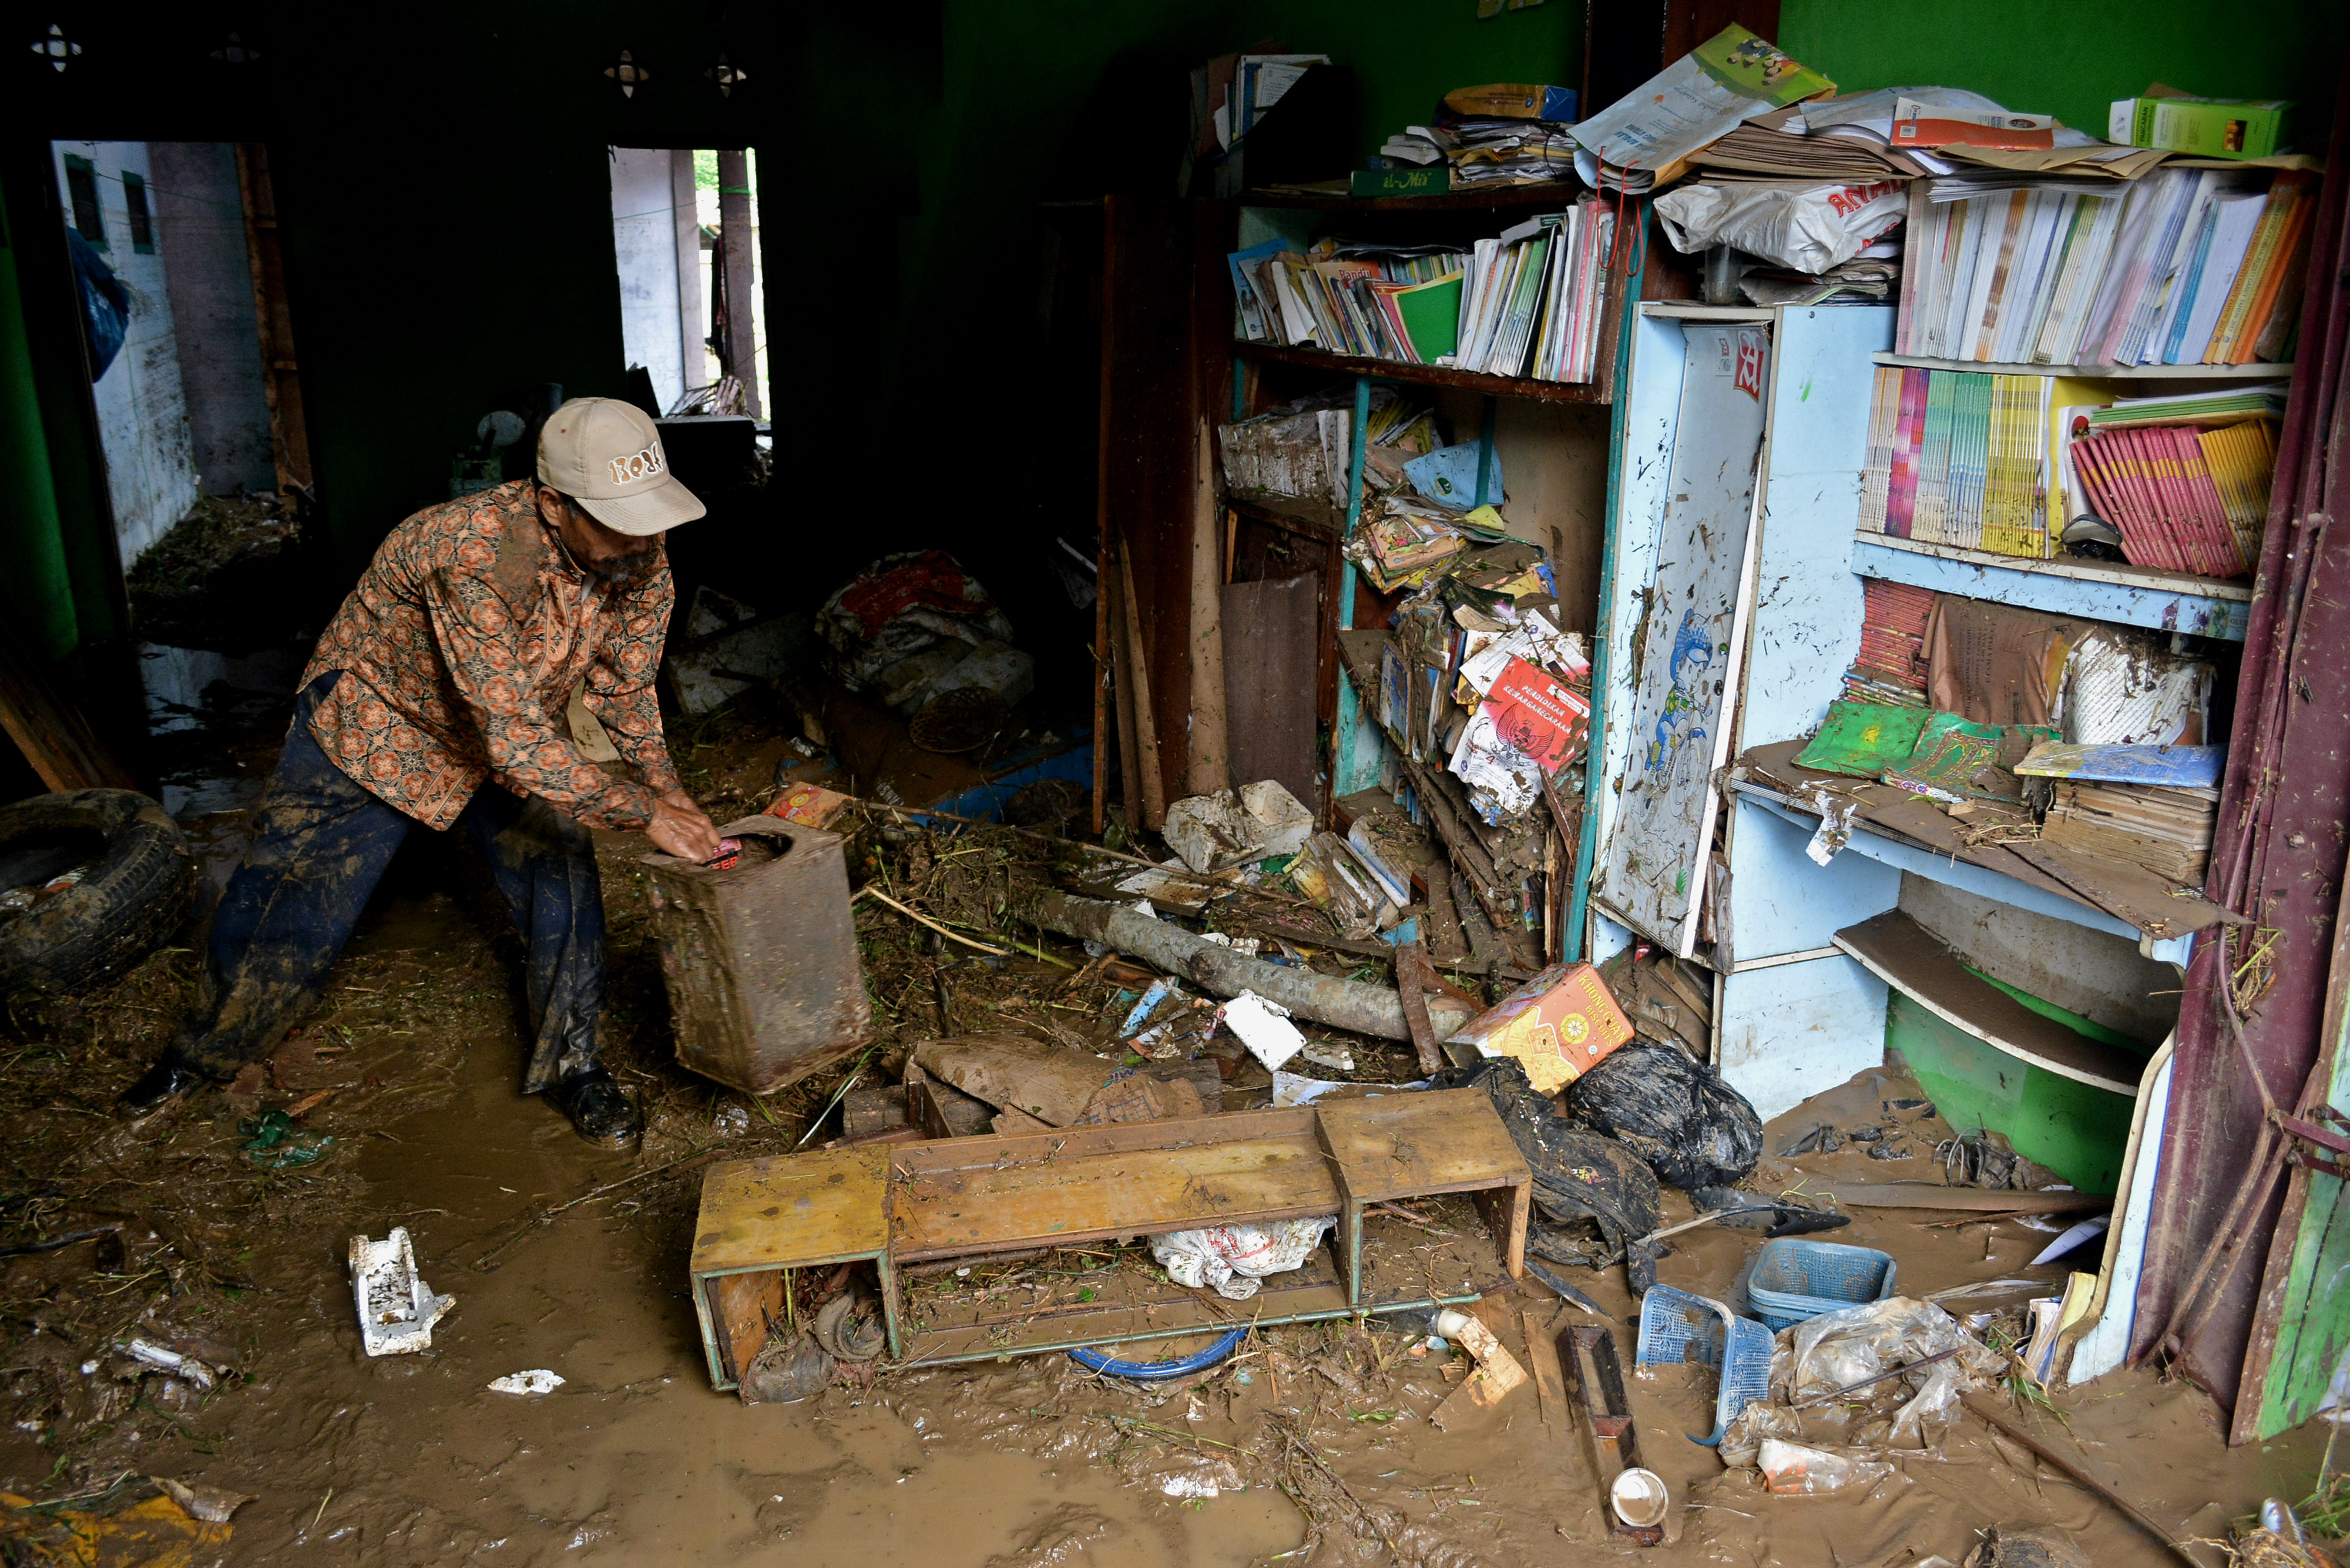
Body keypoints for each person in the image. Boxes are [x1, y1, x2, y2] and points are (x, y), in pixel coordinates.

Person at [116, 398, 724, 1147]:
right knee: (291, 901)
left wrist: (667, 788)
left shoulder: (642, 556)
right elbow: (513, 740)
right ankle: (202, 1055)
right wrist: (642, 813)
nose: (644, 539)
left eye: (649, 516)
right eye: (618, 521)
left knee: (563, 878)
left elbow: (624, 691)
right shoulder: (469, 552)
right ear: (552, 506)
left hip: (513, 731)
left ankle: (575, 1065)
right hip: (380, 723)